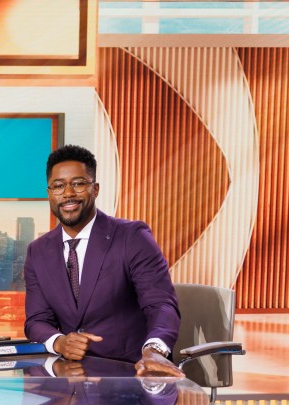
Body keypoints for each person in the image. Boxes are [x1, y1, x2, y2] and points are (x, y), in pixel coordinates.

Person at [23, 145, 183, 377]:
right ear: (49, 193)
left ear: (95, 189)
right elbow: (36, 320)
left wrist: (154, 350)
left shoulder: (132, 237)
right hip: (70, 379)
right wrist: (59, 342)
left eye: (78, 183)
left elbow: (160, 304)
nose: (67, 193)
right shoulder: (37, 251)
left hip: (130, 375)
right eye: (58, 186)